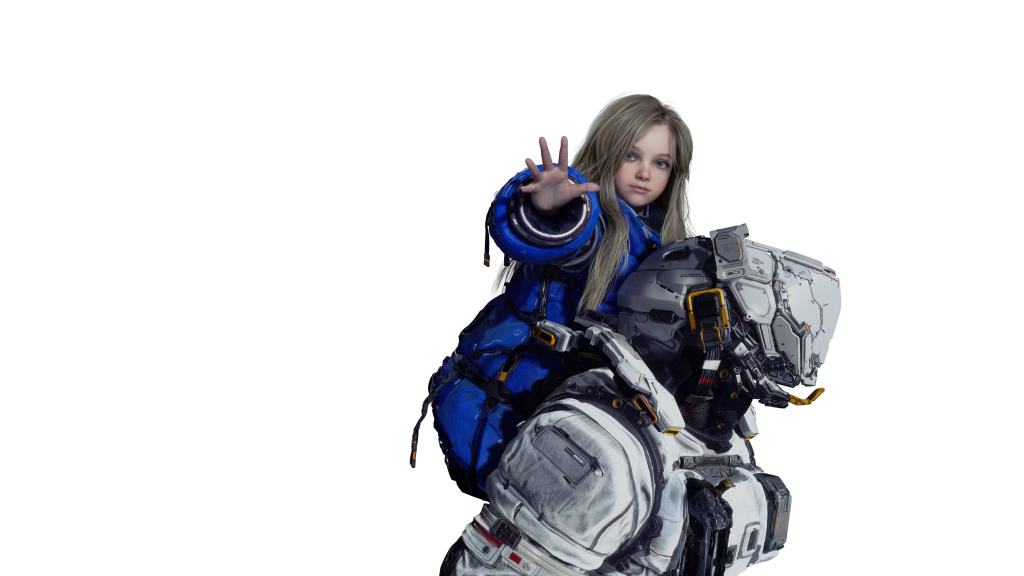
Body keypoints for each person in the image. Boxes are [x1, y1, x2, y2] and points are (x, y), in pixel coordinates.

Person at [411, 95, 695, 498]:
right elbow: (559, 235)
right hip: (506, 411)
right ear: (606, 150)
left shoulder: (665, 244)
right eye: (631, 155)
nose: (645, 173)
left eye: (661, 163)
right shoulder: (591, 218)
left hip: (577, 418)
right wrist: (548, 207)